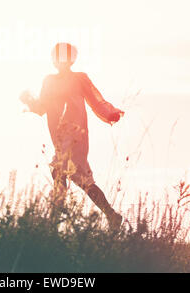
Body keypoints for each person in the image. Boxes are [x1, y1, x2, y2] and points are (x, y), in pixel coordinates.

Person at [20, 42, 124, 231]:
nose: (61, 63)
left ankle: (54, 221)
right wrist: (28, 100)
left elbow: (95, 100)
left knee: (61, 172)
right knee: (77, 178)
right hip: (59, 136)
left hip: (76, 135)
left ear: (71, 60)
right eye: (59, 60)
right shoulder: (48, 81)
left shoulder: (80, 79)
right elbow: (42, 108)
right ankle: (110, 215)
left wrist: (110, 113)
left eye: (64, 60)